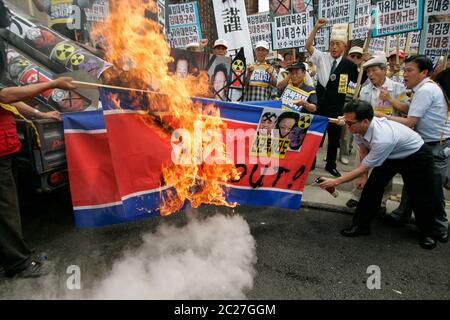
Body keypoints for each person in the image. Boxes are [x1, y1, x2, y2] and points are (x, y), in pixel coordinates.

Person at [318, 100, 438, 250]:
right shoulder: (357, 128)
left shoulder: (382, 138)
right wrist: (364, 177)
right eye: (346, 121)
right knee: (371, 189)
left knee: (420, 195)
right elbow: (363, 150)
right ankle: (361, 226)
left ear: (365, 121)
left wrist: (336, 182)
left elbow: (363, 166)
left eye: (349, 123)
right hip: (391, 155)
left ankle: (428, 233)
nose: (346, 126)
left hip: (416, 155)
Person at [380, 56, 449, 244]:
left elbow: (410, 121)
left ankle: (440, 226)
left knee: (432, 189)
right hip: (422, 144)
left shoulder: (426, 90)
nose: (405, 74)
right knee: (412, 181)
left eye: (410, 70)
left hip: (436, 146)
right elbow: (409, 109)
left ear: (424, 73)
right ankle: (402, 214)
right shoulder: (422, 89)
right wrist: (390, 100)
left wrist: (381, 117)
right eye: (405, 69)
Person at [346, 55, 411, 211]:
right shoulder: (365, 89)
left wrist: (390, 99)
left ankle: (382, 200)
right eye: (368, 71)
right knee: (360, 162)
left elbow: (408, 109)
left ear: (384, 70)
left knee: (383, 168)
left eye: (374, 70)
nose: (370, 74)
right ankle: (357, 195)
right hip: (365, 133)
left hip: (388, 135)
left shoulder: (397, 88)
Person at [305, 18, 359, 177]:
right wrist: (316, 28)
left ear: (344, 46)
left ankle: (330, 164)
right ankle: (311, 162)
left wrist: (364, 64)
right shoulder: (321, 57)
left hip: (337, 106)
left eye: (338, 44)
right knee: (315, 136)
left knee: (334, 138)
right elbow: (308, 46)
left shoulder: (350, 65)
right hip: (320, 104)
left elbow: (359, 80)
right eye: (332, 43)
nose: (334, 47)